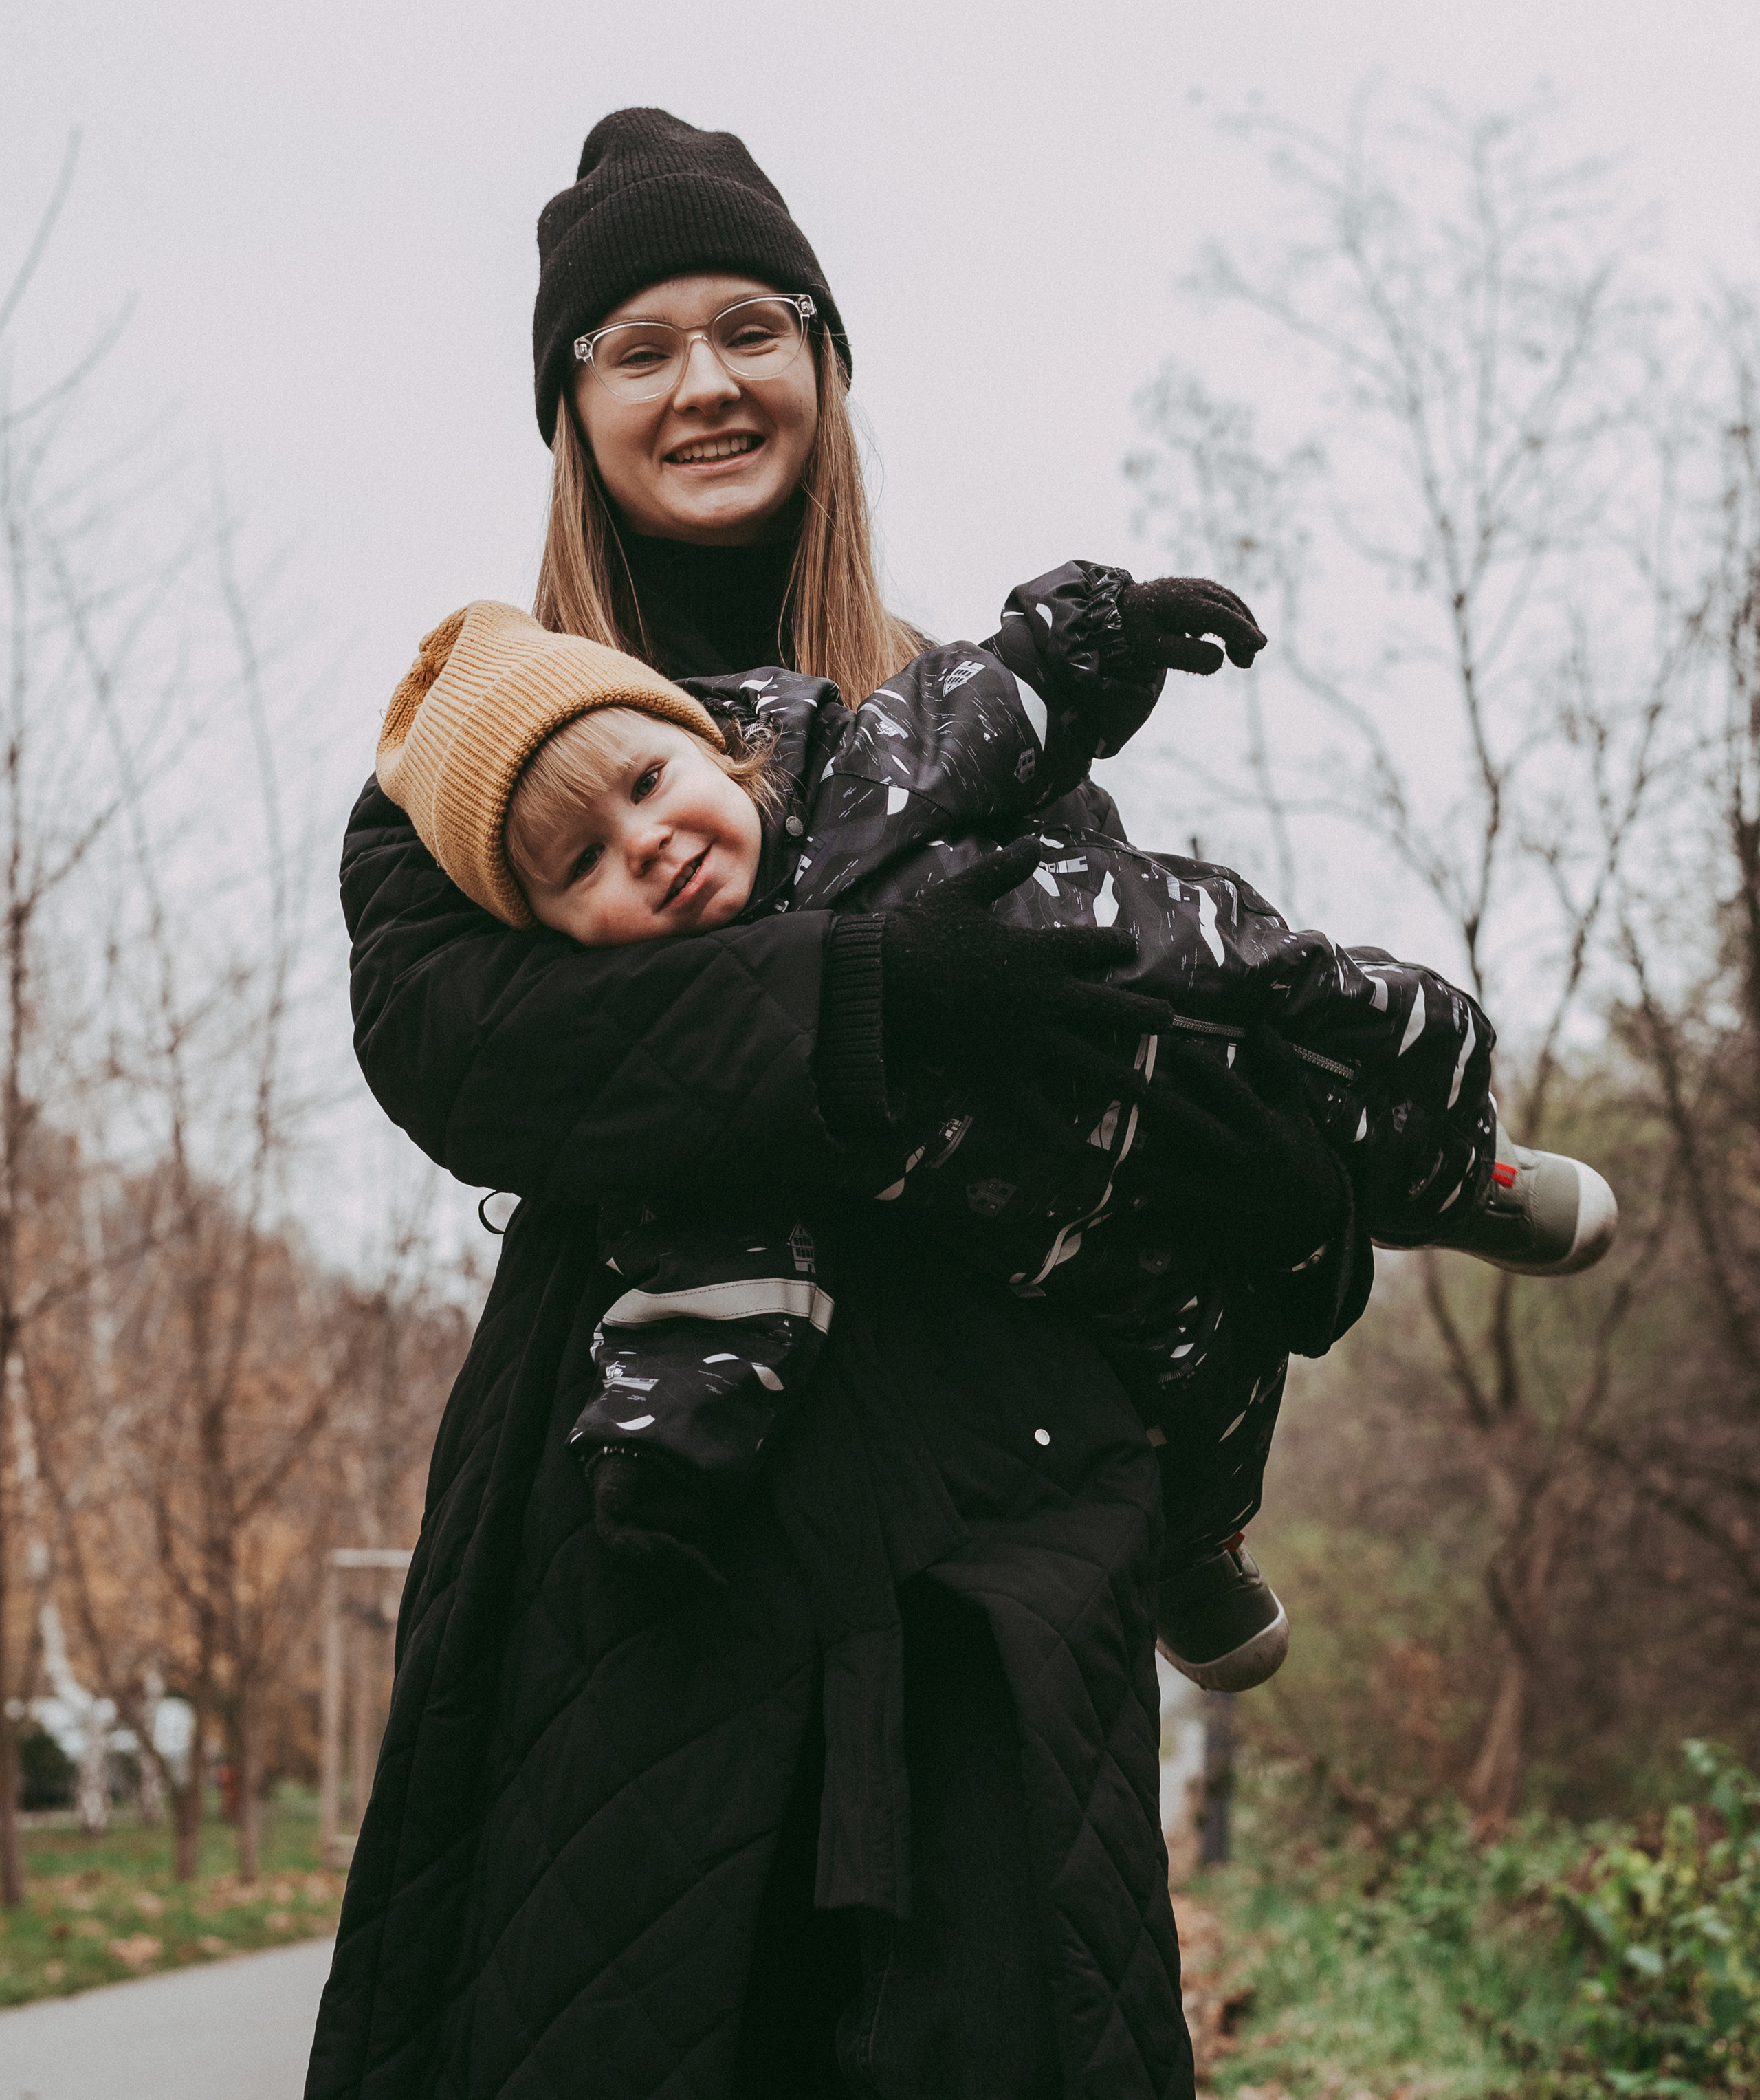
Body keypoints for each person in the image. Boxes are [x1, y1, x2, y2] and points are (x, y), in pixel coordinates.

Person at [307, 109, 1368, 2100]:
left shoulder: (991, 738)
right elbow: (473, 1051)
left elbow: (1141, 1012)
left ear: (826, 368)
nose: (703, 381)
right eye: (636, 346)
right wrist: (872, 991)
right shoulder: (468, 775)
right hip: (639, 1548)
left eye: (752, 325)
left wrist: (1271, 1172)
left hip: (995, 1536)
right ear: (572, 407)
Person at [368, 566, 1616, 1690]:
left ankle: (1463, 1179)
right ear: (557, 937)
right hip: (1089, 1239)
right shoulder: (725, 1095)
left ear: (719, 746)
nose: (647, 845)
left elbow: (1003, 695)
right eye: (581, 862)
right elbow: (721, 1275)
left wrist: (1102, 633)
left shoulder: (870, 768)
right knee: (1197, 1371)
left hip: (1204, 978)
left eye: (649, 783)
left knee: (1374, 1033)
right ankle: (1199, 1547)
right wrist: (661, 1456)